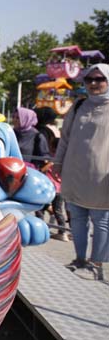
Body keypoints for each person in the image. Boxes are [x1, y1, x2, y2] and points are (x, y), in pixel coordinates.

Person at [54, 63, 109, 281]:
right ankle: (79, 259)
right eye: (89, 79)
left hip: (102, 175)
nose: (93, 83)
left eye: (99, 79)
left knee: (101, 220)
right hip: (74, 171)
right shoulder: (78, 106)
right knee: (76, 218)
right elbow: (65, 138)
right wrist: (58, 162)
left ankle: (97, 263)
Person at [34, 106, 67, 241]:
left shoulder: (41, 132)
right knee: (54, 208)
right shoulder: (52, 130)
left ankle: (43, 229)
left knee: (41, 205)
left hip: (47, 180)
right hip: (59, 186)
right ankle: (60, 230)